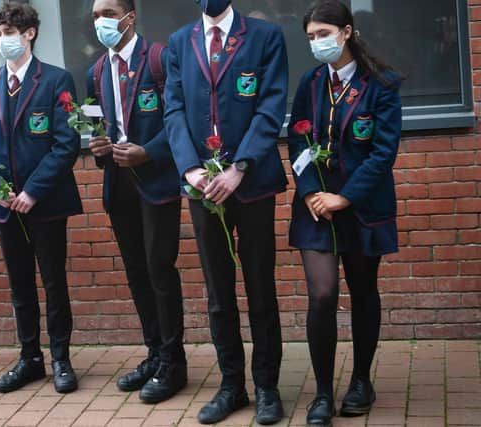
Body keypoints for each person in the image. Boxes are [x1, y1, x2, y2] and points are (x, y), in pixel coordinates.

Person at [164, 0, 288, 424]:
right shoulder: (179, 43)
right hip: (202, 189)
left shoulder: (266, 36)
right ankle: (231, 385)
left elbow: (271, 106)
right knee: (219, 293)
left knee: (260, 287)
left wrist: (239, 167)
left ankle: (267, 387)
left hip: (251, 183)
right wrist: (191, 169)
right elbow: (174, 109)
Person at [287, 1, 402, 425]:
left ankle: (360, 381)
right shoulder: (311, 81)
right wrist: (312, 191)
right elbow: (296, 141)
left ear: (347, 32)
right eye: (311, 37)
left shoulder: (381, 85)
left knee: (362, 290)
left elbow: (382, 153)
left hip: (362, 207)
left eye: (323, 34)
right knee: (322, 294)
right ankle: (321, 393)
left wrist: (345, 197)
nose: (317, 43)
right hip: (315, 208)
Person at [0, 2, 82, 394]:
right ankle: (30, 357)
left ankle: (61, 359)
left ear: (30, 32)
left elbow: (65, 144)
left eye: (10, 32)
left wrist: (32, 191)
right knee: (20, 285)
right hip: (5, 206)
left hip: (46, 203)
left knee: (54, 283)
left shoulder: (55, 80)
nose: (4, 41)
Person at [87, 0, 186, 403]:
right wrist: (97, 147)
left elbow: (180, 120)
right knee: (136, 272)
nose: (101, 21)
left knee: (159, 268)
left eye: (108, 12)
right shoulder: (96, 70)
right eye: (95, 15)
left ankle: (174, 363)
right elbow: (96, 123)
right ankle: (155, 352)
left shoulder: (159, 58)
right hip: (119, 183)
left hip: (156, 180)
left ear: (129, 16)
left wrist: (149, 151)